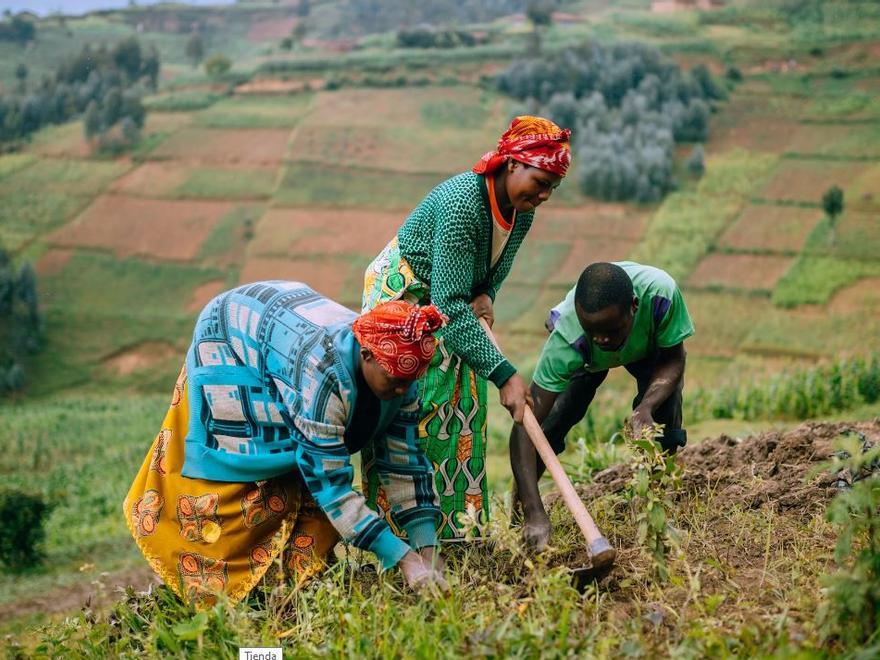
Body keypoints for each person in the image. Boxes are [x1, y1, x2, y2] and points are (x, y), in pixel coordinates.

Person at [124, 281, 449, 607]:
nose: (400, 392)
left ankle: (291, 584)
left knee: (311, 461)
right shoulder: (319, 377)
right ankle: (229, 599)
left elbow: (404, 460)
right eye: (394, 382)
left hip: (284, 326)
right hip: (231, 336)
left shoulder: (400, 372)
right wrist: (404, 560)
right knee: (254, 488)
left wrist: (427, 550)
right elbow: (332, 487)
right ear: (365, 354)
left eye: (409, 383)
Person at [361, 116, 572, 539]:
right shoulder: (463, 205)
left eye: (553, 186)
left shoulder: (521, 212)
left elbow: (493, 270)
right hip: (408, 299)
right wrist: (505, 375)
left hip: (449, 300)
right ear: (512, 164)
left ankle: (458, 536)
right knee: (415, 408)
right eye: (541, 180)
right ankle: (399, 541)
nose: (545, 194)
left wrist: (488, 293)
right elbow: (450, 307)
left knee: (462, 413)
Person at [509, 262, 695, 550]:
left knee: (664, 417)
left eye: (610, 329)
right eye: (593, 330)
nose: (602, 339)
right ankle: (524, 516)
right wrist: (535, 513)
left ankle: (655, 511)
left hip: (647, 348)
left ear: (634, 306)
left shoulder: (661, 296)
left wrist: (645, 407)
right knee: (551, 425)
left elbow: (673, 359)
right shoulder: (568, 338)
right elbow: (525, 425)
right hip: (584, 359)